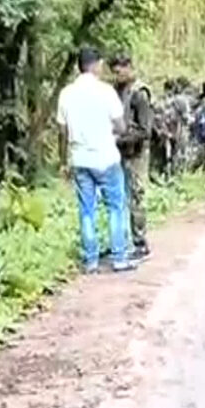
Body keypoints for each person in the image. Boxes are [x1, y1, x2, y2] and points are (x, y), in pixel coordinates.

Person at [56, 47, 135, 273]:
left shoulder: (66, 94)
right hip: (106, 157)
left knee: (86, 210)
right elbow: (121, 126)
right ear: (96, 65)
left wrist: (63, 161)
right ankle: (119, 257)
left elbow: (62, 132)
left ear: (79, 67)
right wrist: (113, 132)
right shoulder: (106, 92)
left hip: (80, 159)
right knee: (115, 207)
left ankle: (91, 260)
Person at [110, 53, 154, 262]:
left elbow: (146, 130)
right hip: (119, 153)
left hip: (136, 154)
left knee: (137, 197)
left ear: (128, 67)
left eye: (119, 71)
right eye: (114, 72)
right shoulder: (116, 91)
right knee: (120, 197)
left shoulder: (139, 94)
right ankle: (122, 241)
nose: (117, 76)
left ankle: (140, 242)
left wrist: (121, 139)